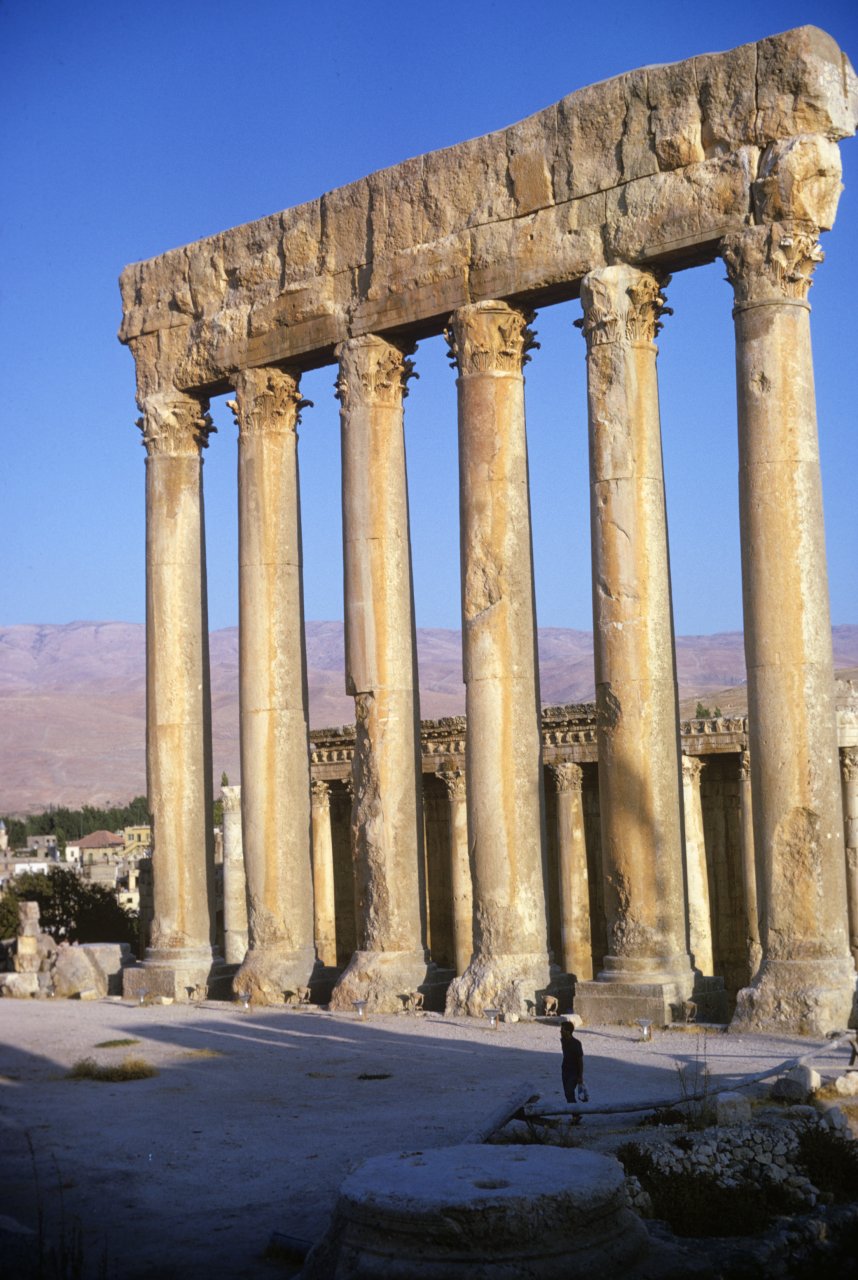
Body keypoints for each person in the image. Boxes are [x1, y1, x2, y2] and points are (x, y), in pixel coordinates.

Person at [560, 1018, 588, 1103]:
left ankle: (576, 1114)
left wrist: (580, 1076)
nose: (560, 1031)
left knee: (569, 1092)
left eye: (562, 1030)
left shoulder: (576, 1044)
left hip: (573, 1072)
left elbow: (580, 1061)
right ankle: (575, 1114)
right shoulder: (563, 1041)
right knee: (567, 1094)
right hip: (565, 1070)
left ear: (568, 1032)